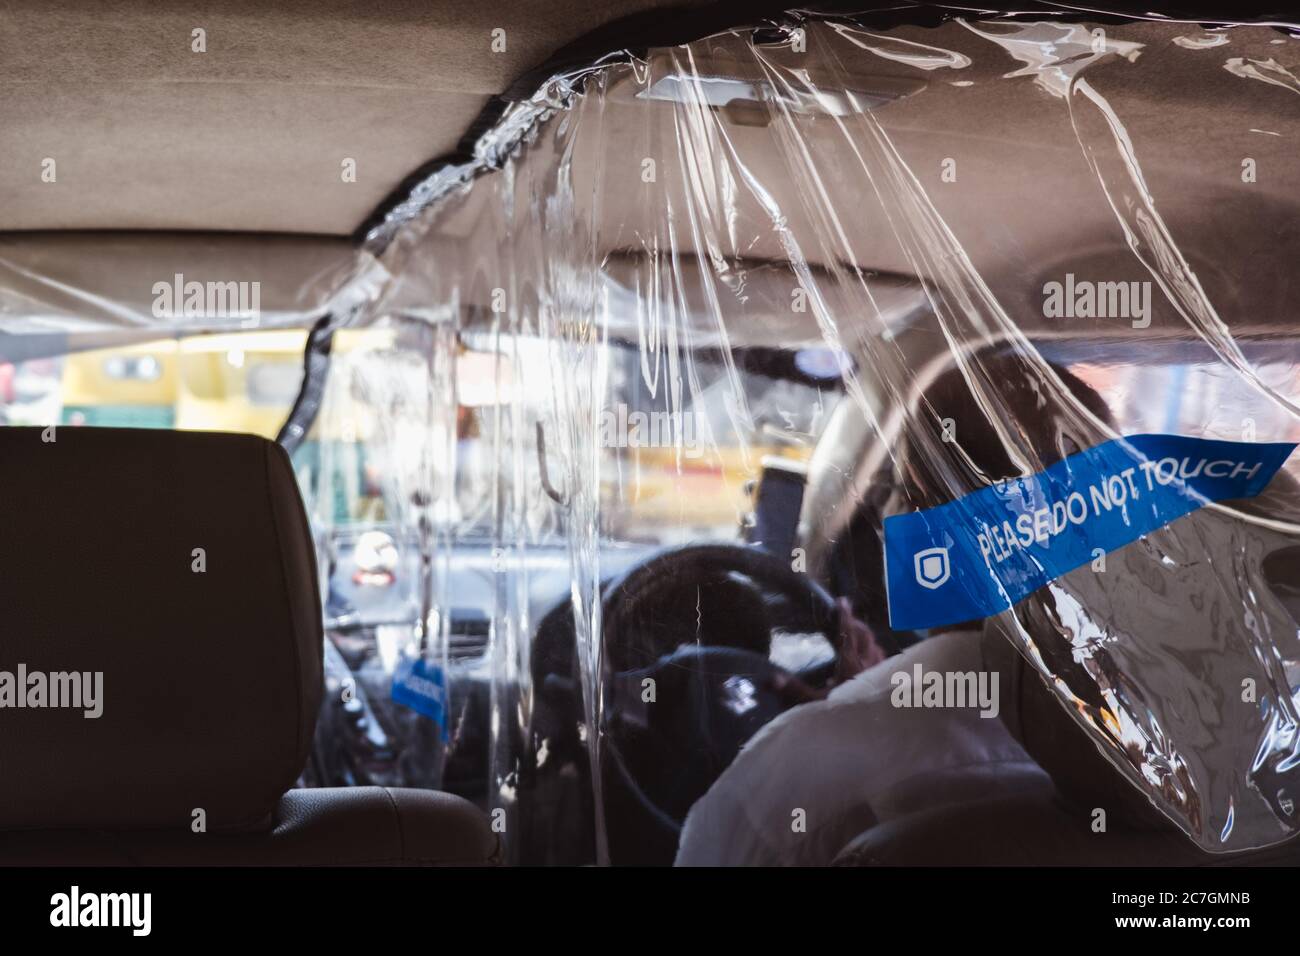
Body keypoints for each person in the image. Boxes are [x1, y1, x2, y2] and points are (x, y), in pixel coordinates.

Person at [674, 355, 1115, 866]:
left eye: (899, 489)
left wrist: (854, 713)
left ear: (921, 518)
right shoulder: (1160, 759)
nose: (885, 514)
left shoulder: (794, 771)